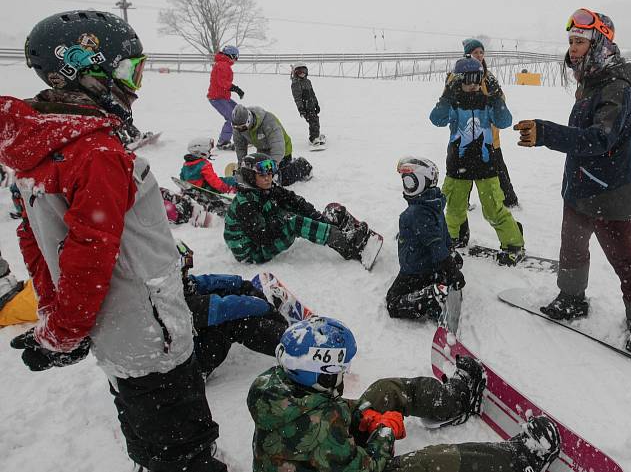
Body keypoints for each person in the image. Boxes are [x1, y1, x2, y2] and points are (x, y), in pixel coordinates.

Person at [0, 10, 226, 471]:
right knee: (184, 445)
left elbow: (37, 243)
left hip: (119, 334)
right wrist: (63, 330)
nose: (135, 86)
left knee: (147, 426)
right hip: (149, 331)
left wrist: (58, 320)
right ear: (83, 70)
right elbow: (87, 254)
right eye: (128, 70)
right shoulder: (96, 150)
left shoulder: (42, 149)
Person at [513, 8, 631, 356]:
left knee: (622, 257)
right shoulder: (590, 79)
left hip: (612, 189)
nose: (573, 48)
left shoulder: (616, 87)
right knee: (573, 247)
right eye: (571, 41)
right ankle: (572, 298)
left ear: (599, 44)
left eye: (580, 41)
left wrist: (547, 133)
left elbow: (600, 138)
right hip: (579, 184)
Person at [247, 316, 561, 472]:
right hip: (341, 460)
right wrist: (383, 431)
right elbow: (371, 467)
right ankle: (518, 459)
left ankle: (453, 401)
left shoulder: (279, 384)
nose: (343, 375)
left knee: (385, 391)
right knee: (429, 463)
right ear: (319, 374)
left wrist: (362, 415)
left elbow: (321, 411)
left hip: (321, 451)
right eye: (338, 371)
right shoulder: (316, 428)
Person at [429, 57, 525, 266]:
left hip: (485, 164)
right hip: (458, 165)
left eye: (477, 79)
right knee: (454, 209)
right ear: (458, 80)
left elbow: (504, 121)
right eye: (468, 79)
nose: (473, 84)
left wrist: (497, 96)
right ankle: (448, 243)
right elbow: (436, 119)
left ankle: (513, 244)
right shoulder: (454, 103)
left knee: (493, 209)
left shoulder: (487, 102)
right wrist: (446, 96)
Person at [175, 240, 312, 379]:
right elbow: (224, 307)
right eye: (183, 271)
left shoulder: (165, 288)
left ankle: (278, 329)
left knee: (226, 292)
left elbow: (203, 282)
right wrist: (266, 308)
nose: (186, 275)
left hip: (181, 357)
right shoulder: (171, 304)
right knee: (236, 322)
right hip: (182, 376)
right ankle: (297, 348)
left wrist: (242, 285)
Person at [223, 153, 371, 264]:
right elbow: (263, 237)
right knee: (292, 222)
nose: (268, 178)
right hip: (251, 250)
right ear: (250, 176)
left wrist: (319, 218)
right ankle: (346, 244)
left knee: (288, 205)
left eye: (269, 173)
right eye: (262, 175)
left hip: (261, 233)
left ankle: (329, 226)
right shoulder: (246, 204)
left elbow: (293, 200)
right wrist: (284, 219)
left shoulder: (265, 188)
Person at [386, 157, 465, 319]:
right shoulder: (434, 202)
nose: (406, 186)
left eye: (409, 182)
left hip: (416, 270)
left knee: (392, 303)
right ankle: (437, 281)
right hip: (432, 265)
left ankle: (430, 298)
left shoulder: (413, 214)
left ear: (421, 183)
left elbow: (435, 244)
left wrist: (450, 268)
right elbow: (442, 233)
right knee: (440, 263)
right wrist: (450, 256)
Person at [462, 39, 519, 208]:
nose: (479, 56)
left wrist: (491, 101)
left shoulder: (489, 76)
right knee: (463, 170)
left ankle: (510, 200)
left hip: (489, 133)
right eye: (475, 52)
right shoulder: (460, 75)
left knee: (498, 167)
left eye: (481, 52)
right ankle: (462, 202)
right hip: (467, 131)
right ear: (468, 54)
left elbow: (501, 98)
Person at [230, 104, 313, 186]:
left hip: (283, 150)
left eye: (243, 127)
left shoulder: (268, 121)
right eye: (237, 128)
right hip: (263, 151)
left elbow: (278, 146)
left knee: (281, 179)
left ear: (249, 120)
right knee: (257, 176)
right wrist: (242, 166)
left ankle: (302, 166)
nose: (240, 130)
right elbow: (240, 147)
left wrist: (273, 168)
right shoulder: (238, 128)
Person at [207, 45, 244, 150]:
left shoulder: (224, 64)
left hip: (223, 97)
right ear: (231, 55)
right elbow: (222, 82)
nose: (236, 59)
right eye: (236, 57)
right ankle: (223, 142)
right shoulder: (223, 65)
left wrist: (235, 89)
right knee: (232, 117)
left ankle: (244, 137)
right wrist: (236, 89)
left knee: (239, 113)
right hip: (217, 98)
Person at [290, 63, 324, 147]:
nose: (302, 73)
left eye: (304, 71)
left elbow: (312, 94)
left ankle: (316, 135)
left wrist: (316, 104)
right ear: (295, 73)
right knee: (312, 122)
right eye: (299, 72)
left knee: (316, 120)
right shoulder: (295, 84)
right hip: (305, 107)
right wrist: (301, 109)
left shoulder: (308, 81)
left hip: (311, 105)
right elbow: (297, 98)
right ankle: (313, 139)